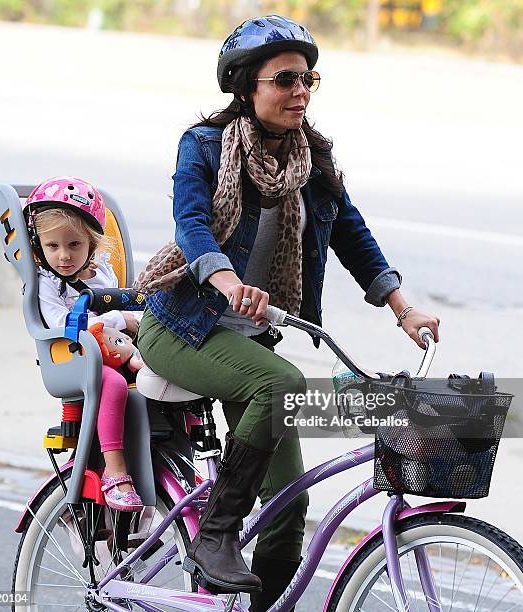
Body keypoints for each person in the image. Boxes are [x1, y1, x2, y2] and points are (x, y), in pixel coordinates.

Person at [135, 14, 440, 609]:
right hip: (180, 327)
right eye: (285, 79)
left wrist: (402, 307)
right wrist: (222, 277)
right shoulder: (203, 147)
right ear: (247, 87)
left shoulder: (313, 160)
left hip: (249, 342)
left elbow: (352, 235)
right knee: (283, 384)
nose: (300, 90)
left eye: (308, 79)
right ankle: (216, 535)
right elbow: (192, 223)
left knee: (289, 503)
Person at [24, 176, 143, 512]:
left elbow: (121, 304)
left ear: (92, 244)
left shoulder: (100, 274)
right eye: (53, 246)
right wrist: (117, 324)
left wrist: (130, 322)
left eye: (74, 245)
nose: (63, 256)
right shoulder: (46, 283)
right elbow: (61, 322)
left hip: (112, 350)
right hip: (71, 357)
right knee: (115, 386)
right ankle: (116, 472)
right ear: (39, 245)